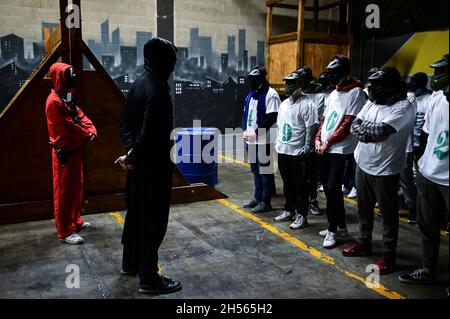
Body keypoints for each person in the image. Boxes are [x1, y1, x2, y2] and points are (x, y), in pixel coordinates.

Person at [116, 37, 182, 294]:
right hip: (153, 170)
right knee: (153, 223)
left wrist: (131, 153)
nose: (174, 66)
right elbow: (150, 132)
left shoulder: (138, 84)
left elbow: (123, 123)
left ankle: (129, 263)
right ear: (162, 61)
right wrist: (134, 156)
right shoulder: (158, 90)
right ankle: (149, 278)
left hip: (138, 170)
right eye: (172, 61)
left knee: (135, 217)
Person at [344, 67, 414, 275]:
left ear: (389, 86)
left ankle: (388, 254)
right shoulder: (373, 102)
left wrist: (365, 132)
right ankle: (364, 242)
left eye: (376, 85)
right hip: (363, 163)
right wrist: (366, 133)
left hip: (386, 168)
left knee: (388, 214)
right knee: (363, 208)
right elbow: (354, 125)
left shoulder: (403, 106)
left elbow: (383, 130)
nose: (372, 90)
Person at [399, 55, 449, 286]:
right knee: (427, 227)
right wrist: (421, 165)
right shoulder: (437, 98)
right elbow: (427, 134)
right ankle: (428, 269)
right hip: (429, 174)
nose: (436, 78)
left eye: (441, 72)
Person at [315, 55, 366, 249]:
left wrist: (327, 142)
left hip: (340, 148)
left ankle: (332, 230)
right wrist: (318, 138)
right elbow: (325, 120)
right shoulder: (334, 93)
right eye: (329, 73)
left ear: (345, 73)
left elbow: (348, 123)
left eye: (335, 73)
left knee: (333, 188)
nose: (331, 77)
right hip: (326, 146)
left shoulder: (356, 92)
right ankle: (341, 225)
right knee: (329, 189)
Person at [45, 63, 97, 245]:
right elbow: (67, 127)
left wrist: (91, 129)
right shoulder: (53, 102)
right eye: (69, 75)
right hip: (64, 155)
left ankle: (75, 222)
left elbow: (79, 115)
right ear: (59, 78)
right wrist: (87, 134)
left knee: (76, 189)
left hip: (75, 152)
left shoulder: (65, 97)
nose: (73, 77)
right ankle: (65, 230)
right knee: (64, 193)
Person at [273, 71, 318, 230]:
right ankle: (288, 209)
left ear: (300, 86)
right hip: (283, 150)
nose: (288, 86)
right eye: (286, 83)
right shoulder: (284, 103)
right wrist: (278, 144)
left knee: (300, 186)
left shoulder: (308, 104)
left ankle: (302, 215)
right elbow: (280, 125)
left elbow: (311, 128)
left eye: (292, 83)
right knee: (287, 184)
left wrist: (306, 149)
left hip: (297, 153)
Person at [242, 66, 281, 213]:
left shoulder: (271, 94)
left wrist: (256, 134)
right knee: (255, 171)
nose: (250, 81)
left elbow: (271, 117)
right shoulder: (252, 93)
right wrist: (246, 131)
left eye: (253, 78)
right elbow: (247, 115)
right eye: (250, 78)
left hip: (263, 140)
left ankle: (266, 201)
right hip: (251, 139)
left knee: (264, 171)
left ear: (261, 78)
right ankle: (257, 198)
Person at [400, 88, 418, 224]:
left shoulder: (409, 98)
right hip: (389, 148)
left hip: (405, 147)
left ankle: (413, 208)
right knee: (390, 180)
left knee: (406, 180)